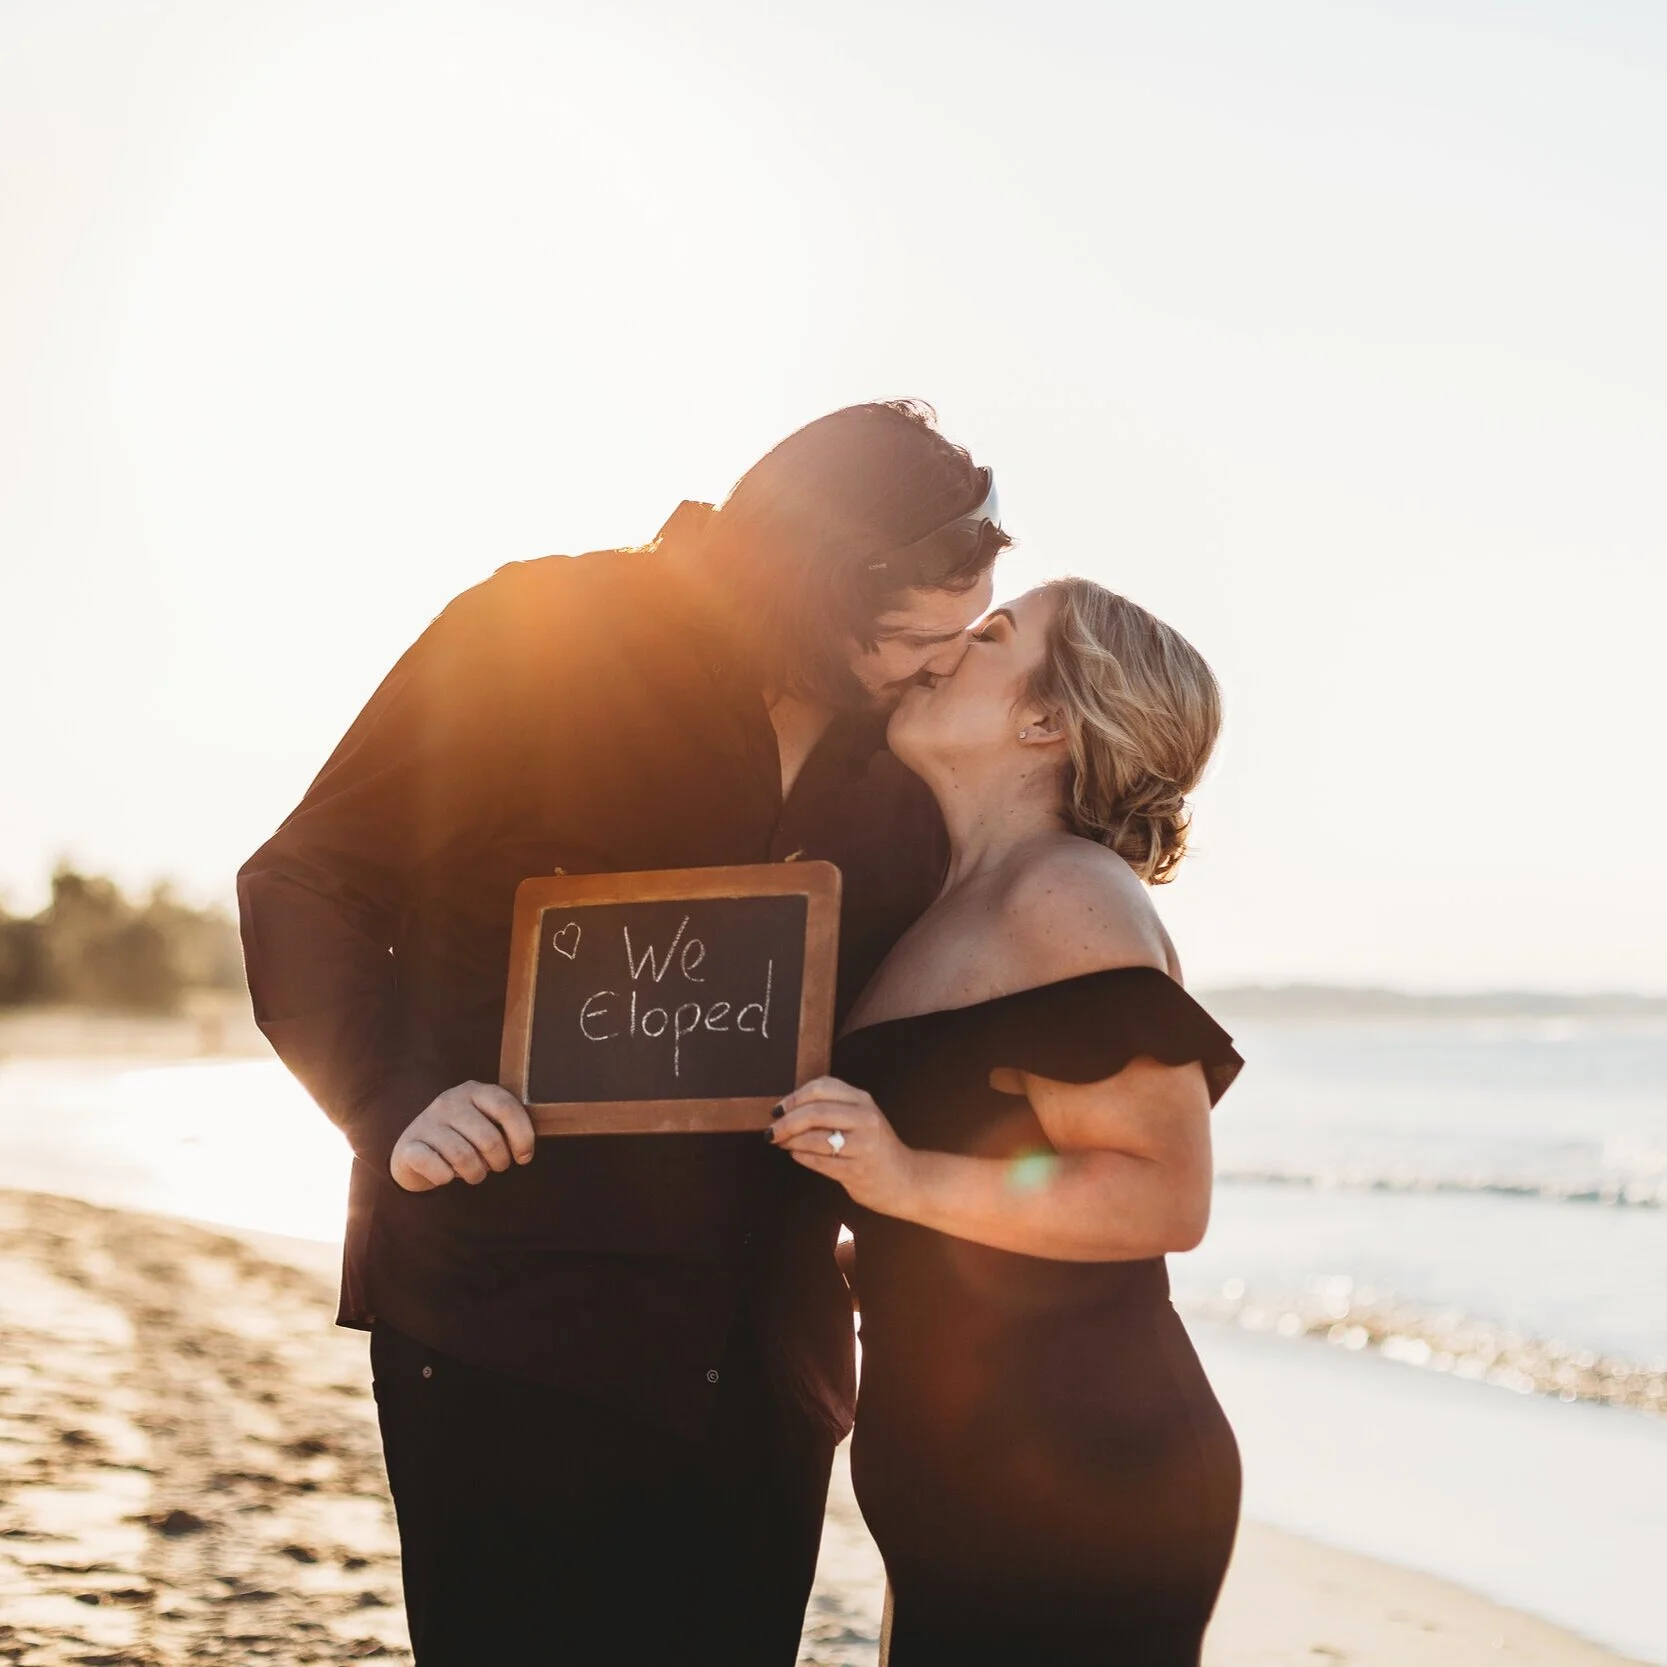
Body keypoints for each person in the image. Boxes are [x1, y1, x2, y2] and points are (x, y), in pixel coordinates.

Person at [236, 401, 1009, 1665]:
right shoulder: (540, 633)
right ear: (817, 592)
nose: (940, 667)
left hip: (765, 1342)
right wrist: (391, 1099)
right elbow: (308, 876)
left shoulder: (910, 739)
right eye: (915, 640)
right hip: (508, 1307)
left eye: (962, 634)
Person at [770, 577, 1243, 1666]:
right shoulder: (957, 898)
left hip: (1080, 1458)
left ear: (1045, 719)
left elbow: (1162, 1191)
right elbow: (995, 1168)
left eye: (988, 634)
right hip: (962, 1456)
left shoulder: (1065, 893)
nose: (940, 649)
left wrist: (900, 1180)